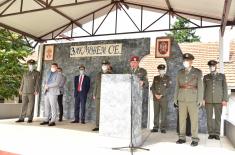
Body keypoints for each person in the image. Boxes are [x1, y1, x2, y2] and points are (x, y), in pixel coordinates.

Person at [174, 53, 203, 147]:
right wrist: (175, 99)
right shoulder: (179, 72)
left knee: (194, 120)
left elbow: (200, 87)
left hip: (193, 99)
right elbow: (177, 87)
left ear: (191, 61)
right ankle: (182, 137)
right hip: (182, 99)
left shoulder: (197, 72)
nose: (185, 62)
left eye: (187, 60)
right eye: (184, 60)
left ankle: (195, 139)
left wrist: (200, 99)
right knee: (182, 119)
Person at [203, 60, 228, 140]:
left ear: (216, 66)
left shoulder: (222, 76)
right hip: (208, 100)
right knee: (209, 118)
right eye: (210, 66)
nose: (211, 67)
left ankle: (217, 133)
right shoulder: (206, 77)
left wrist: (225, 99)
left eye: (213, 66)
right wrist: (203, 99)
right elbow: (203, 89)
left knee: (218, 117)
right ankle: (211, 133)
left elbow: (225, 88)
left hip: (218, 100)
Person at [125, 56, 149, 128]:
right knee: (127, 110)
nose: (134, 64)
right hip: (128, 93)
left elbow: (146, 82)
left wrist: (143, 82)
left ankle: (136, 125)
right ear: (130, 63)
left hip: (137, 94)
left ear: (138, 63)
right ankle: (128, 124)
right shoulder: (127, 71)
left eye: (135, 62)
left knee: (136, 110)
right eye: (132, 62)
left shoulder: (142, 71)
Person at [92, 60, 112, 131]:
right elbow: (96, 85)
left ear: (108, 66)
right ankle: (97, 126)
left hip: (106, 96)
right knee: (98, 111)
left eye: (105, 65)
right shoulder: (98, 74)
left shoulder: (110, 74)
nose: (104, 66)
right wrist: (94, 94)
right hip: (98, 95)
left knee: (106, 111)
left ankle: (105, 126)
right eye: (103, 65)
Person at [151, 64, 171, 133]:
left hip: (163, 99)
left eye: (162, 70)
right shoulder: (155, 78)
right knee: (156, 113)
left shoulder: (167, 78)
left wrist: (162, 94)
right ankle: (155, 127)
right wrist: (155, 94)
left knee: (163, 113)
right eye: (160, 70)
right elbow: (152, 87)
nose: (161, 71)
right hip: (156, 98)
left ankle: (163, 128)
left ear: (164, 70)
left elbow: (169, 88)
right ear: (158, 70)